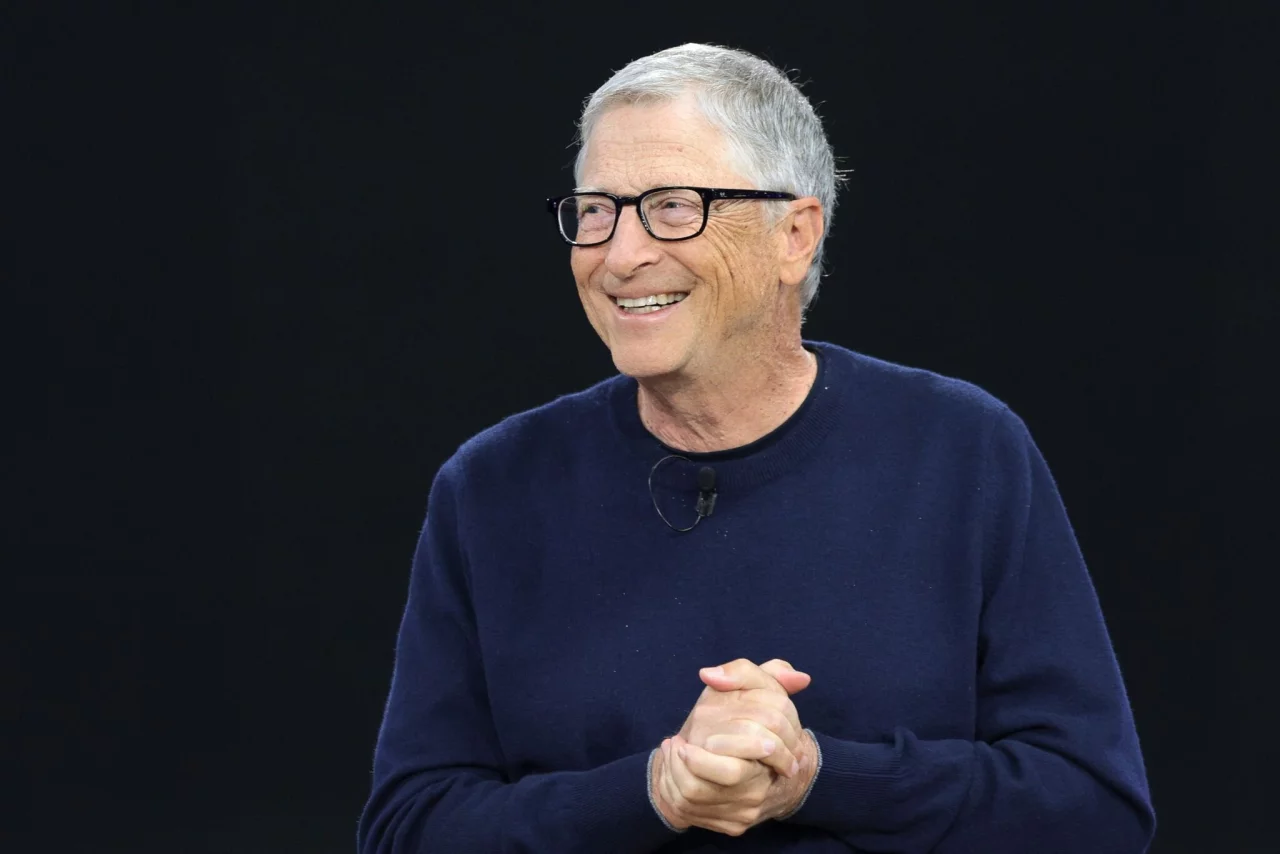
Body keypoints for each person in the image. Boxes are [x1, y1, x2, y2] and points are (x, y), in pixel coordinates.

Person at [357, 43, 1155, 853]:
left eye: (674, 206)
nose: (621, 255)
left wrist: (816, 775)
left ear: (794, 236)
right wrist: (653, 790)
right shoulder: (491, 489)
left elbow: (1094, 808)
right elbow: (406, 830)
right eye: (596, 210)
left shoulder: (963, 453)